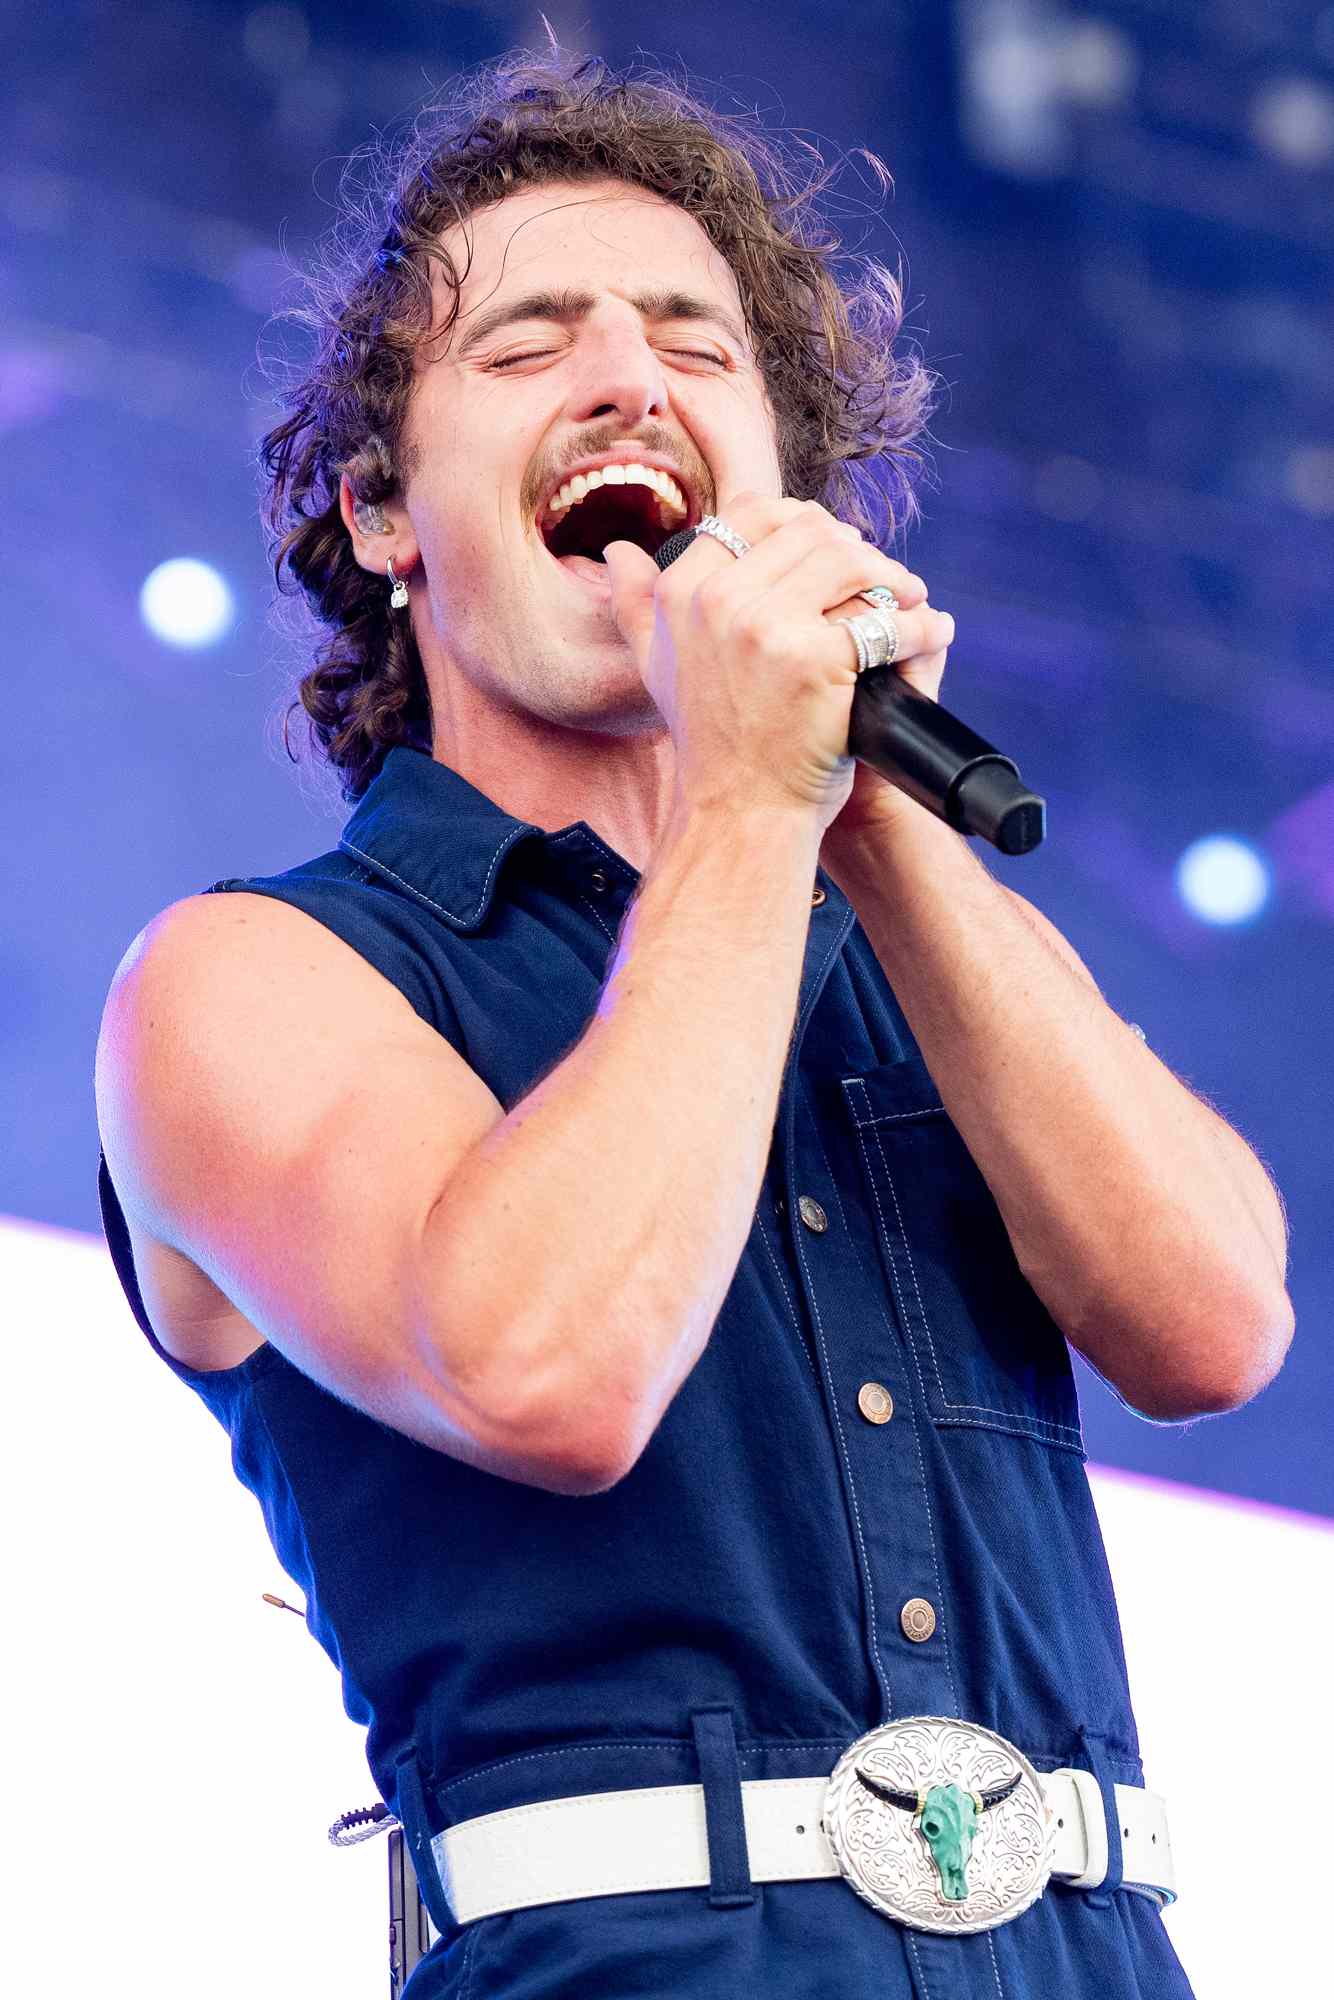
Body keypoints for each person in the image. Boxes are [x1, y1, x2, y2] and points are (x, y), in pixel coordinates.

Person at [94, 48, 1292, 2000]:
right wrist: (747, 800)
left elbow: (1214, 1319)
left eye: (689, 343)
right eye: (530, 342)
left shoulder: (912, 945)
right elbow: (540, 1368)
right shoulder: (251, 982)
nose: (628, 376)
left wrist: (873, 822)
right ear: (385, 514)